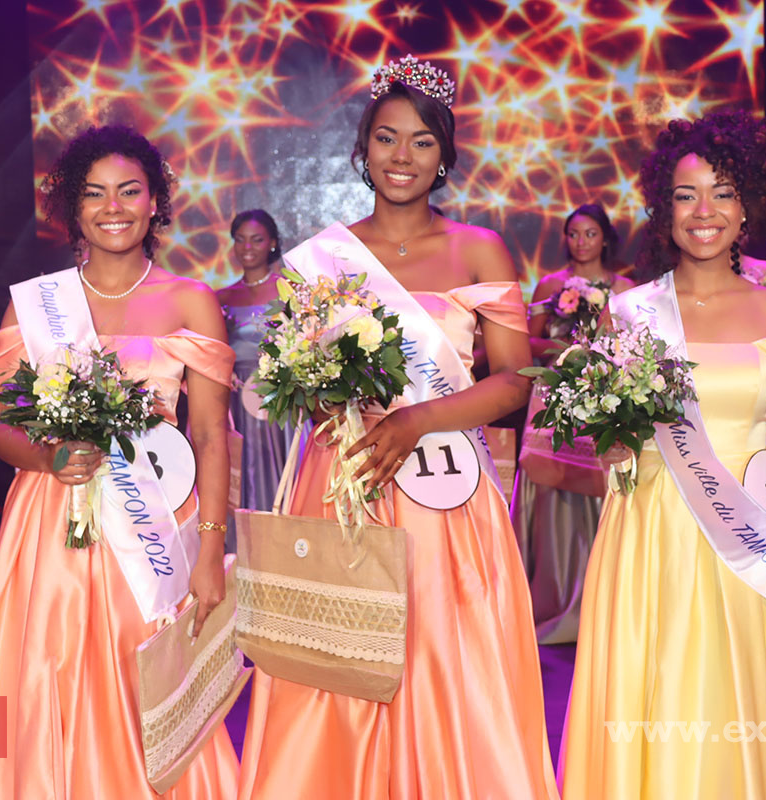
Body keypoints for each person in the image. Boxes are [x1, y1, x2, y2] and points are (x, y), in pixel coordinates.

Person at [236, 56, 558, 799]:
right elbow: (293, 377)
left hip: (445, 485)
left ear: (444, 154)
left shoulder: (479, 248)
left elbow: (514, 381)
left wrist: (418, 417)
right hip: (346, 476)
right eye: (386, 138)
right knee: (336, 652)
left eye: (420, 141)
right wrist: (326, 399)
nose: (402, 156)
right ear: (362, 148)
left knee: (446, 652)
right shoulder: (320, 258)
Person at [0, 125, 239, 799]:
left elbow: (213, 437)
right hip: (53, 521)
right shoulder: (37, 304)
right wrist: (49, 456)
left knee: (154, 690)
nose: (113, 207)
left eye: (130, 191)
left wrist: (211, 552)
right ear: (71, 208)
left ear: (156, 201)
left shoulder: (191, 300)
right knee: (50, 676)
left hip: (155, 523)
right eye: (94, 194)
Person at [559, 111, 766, 798]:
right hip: (652, 531)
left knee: (741, 695)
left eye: (722, 193)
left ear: (749, 207)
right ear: (665, 209)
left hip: (752, 536)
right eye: (687, 196)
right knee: (655, 691)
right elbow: (608, 443)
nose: (704, 212)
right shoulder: (629, 311)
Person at [512, 203, 633, 643]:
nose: (581, 242)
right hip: (554, 390)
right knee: (549, 487)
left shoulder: (626, 287)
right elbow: (527, 339)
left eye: (590, 233)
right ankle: (550, 597)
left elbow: (634, 343)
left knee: (603, 486)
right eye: (574, 234)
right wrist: (565, 348)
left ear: (605, 238)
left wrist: (596, 354)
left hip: (601, 393)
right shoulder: (549, 284)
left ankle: (603, 599)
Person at [217, 210, 300, 530]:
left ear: (273, 243)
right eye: (239, 240)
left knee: (280, 474)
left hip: (278, 401)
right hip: (236, 403)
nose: (247, 247)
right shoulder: (220, 297)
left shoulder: (290, 292)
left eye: (256, 239)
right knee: (239, 473)